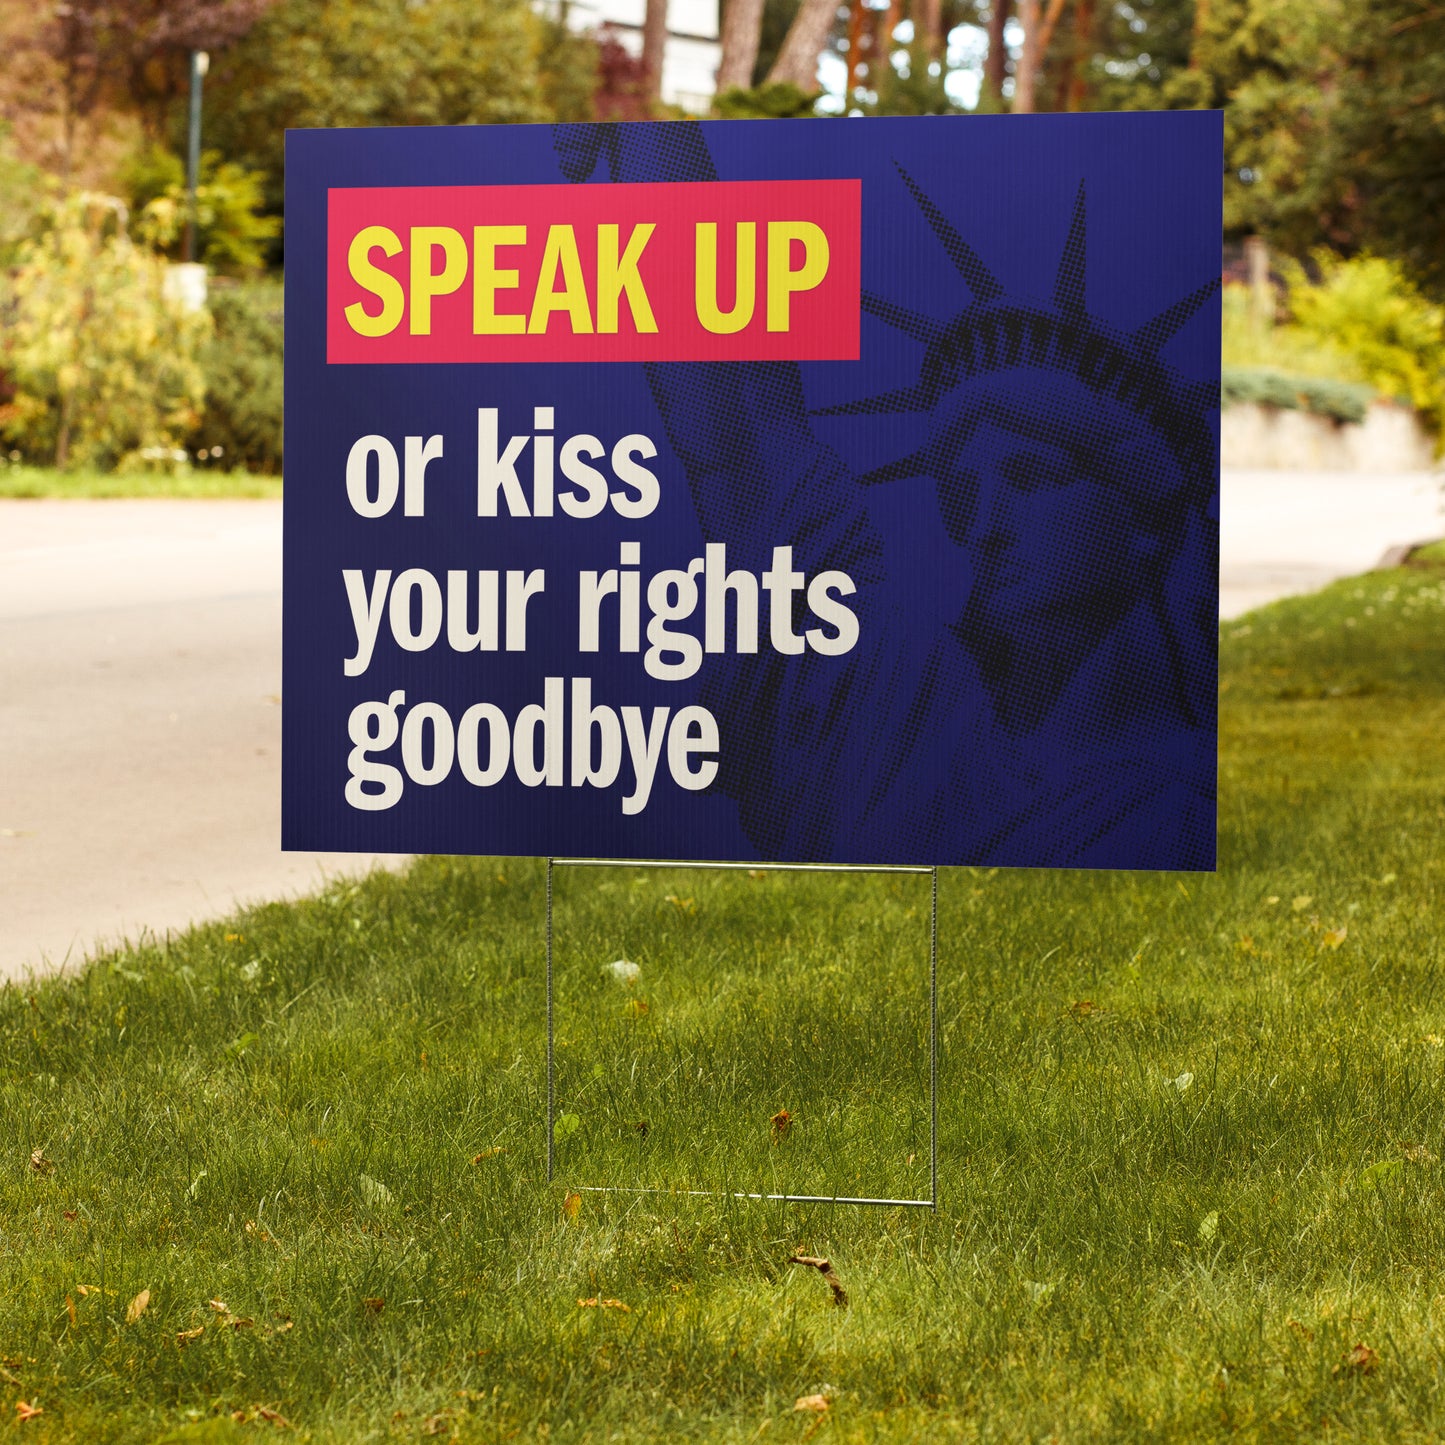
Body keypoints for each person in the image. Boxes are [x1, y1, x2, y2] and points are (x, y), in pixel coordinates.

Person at [554, 123, 1218, 869]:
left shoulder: (1190, 809)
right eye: (961, 495)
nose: (985, 527)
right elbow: (741, 421)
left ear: (1145, 515)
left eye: (1033, 478)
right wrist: (646, 128)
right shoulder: (894, 701)